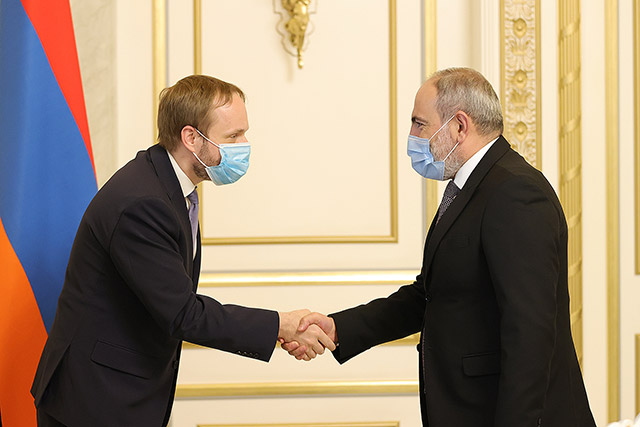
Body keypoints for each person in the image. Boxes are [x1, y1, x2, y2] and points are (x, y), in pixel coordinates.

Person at [283, 67, 596, 426]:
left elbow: (530, 334)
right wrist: (338, 328)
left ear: (460, 126)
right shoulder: (471, 186)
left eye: (420, 124)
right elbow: (431, 295)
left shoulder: (515, 192)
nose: (412, 137)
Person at [31, 75, 335, 427]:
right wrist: (281, 324)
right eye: (233, 136)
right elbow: (183, 313)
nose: (244, 146)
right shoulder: (143, 202)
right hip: (93, 400)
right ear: (191, 138)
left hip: (121, 393)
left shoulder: (168, 187)